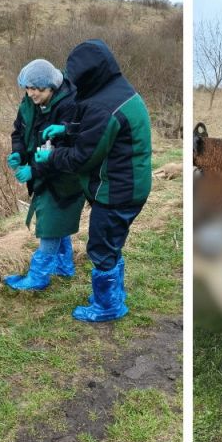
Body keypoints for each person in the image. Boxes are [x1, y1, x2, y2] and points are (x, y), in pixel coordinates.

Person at [31, 40, 152, 322]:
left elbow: (82, 158)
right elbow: (96, 130)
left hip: (117, 191)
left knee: (101, 246)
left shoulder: (103, 106)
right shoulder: (116, 89)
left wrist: (51, 157)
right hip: (130, 185)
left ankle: (108, 306)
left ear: (88, 77)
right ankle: (112, 295)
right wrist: (67, 128)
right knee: (111, 242)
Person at [4, 58, 84, 290]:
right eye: (28, 88)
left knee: (50, 223)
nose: (31, 93)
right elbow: (18, 131)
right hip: (42, 174)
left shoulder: (70, 105)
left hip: (65, 178)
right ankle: (64, 265)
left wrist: (34, 170)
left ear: (52, 87)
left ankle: (37, 277)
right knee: (55, 220)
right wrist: (18, 154)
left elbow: (67, 151)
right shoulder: (29, 102)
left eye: (37, 89)